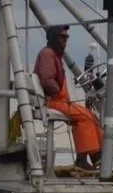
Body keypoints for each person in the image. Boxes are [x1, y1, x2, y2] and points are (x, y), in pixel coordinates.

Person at [33, 23, 103, 168]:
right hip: (52, 101)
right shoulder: (48, 54)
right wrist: (58, 92)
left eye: (67, 36)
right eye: (62, 36)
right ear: (54, 37)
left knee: (88, 115)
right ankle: (87, 159)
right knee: (85, 116)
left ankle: (96, 156)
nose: (65, 39)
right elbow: (47, 80)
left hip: (60, 101)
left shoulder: (55, 55)